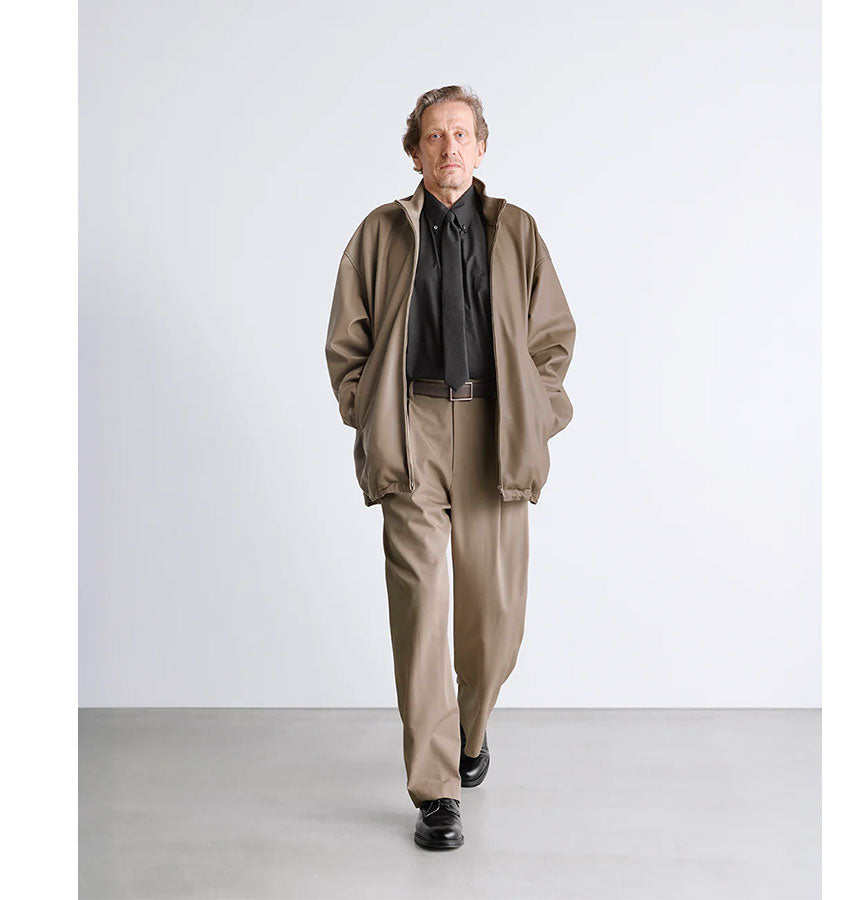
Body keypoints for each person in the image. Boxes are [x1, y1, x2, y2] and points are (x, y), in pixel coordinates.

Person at [325, 84, 576, 850]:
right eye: (434, 136)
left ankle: (471, 730)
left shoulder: (516, 231)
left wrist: (538, 413)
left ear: (482, 146)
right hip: (412, 430)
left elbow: (553, 339)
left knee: (495, 618)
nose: (449, 148)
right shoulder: (380, 233)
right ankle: (436, 791)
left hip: (496, 430)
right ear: (415, 153)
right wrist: (369, 410)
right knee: (421, 611)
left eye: (461, 134)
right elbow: (347, 343)